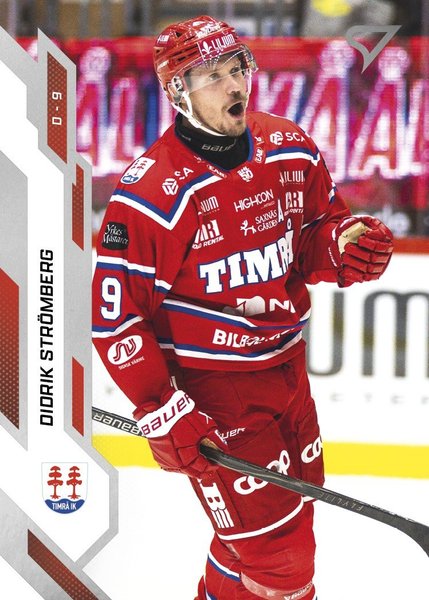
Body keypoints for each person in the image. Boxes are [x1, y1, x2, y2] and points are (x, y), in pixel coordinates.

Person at [92, 15, 393, 600]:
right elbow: (116, 316)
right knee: (282, 560)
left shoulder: (288, 146)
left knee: (268, 532)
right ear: (178, 91)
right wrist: (160, 406)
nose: (235, 85)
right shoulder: (151, 194)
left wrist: (341, 244)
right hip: (216, 391)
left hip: (289, 370)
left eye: (238, 68)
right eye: (213, 75)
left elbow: (312, 232)